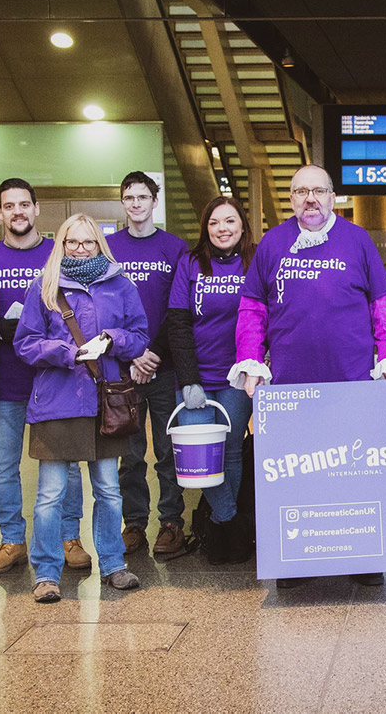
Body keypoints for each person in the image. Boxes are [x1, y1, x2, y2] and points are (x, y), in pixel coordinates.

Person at [234, 165, 386, 587]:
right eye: (301, 192)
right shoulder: (272, 244)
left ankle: (364, 558)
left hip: (352, 383)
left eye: (318, 191)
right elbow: (253, 310)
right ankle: (296, 563)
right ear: (291, 199)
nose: (310, 199)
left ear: (331, 196)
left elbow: (383, 306)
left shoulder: (357, 240)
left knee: (354, 470)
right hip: (291, 386)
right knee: (296, 474)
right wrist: (251, 362)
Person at [15, 213, 148, 602]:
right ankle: (46, 573)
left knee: (108, 490)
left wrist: (113, 338)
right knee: (50, 495)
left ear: (99, 245)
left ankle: (113, 565)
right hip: (57, 402)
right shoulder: (45, 285)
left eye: (88, 242)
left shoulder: (120, 284)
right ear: (61, 244)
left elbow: (139, 336)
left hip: (105, 405)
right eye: (72, 242)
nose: (80, 249)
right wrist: (65, 352)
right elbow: (25, 343)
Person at [0, 178, 88, 576]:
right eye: (9, 206)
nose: (18, 212)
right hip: (4, 380)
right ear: (0, 213)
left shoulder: (57, 254)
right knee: (3, 467)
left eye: (24, 204)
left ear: (36, 208)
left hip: (55, 382)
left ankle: (69, 537)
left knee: (66, 464)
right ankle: (12, 539)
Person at [107, 171, 189, 558]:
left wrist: (151, 353)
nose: (136, 203)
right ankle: (134, 523)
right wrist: (133, 354)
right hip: (123, 368)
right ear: (122, 203)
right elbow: (104, 307)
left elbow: (178, 308)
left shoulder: (175, 248)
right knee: (130, 453)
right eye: (129, 197)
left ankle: (171, 521)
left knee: (169, 451)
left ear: (155, 201)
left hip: (164, 364)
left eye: (143, 197)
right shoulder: (108, 248)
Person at [167, 196, 253, 565]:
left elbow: (265, 316)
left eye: (230, 221)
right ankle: (229, 521)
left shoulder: (255, 262)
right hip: (196, 378)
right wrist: (189, 380)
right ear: (206, 227)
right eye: (215, 222)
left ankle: (220, 533)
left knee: (230, 452)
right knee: (200, 460)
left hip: (237, 376)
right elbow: (178, 323)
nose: (222, 228)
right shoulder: (190, 263)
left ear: (242, 225)